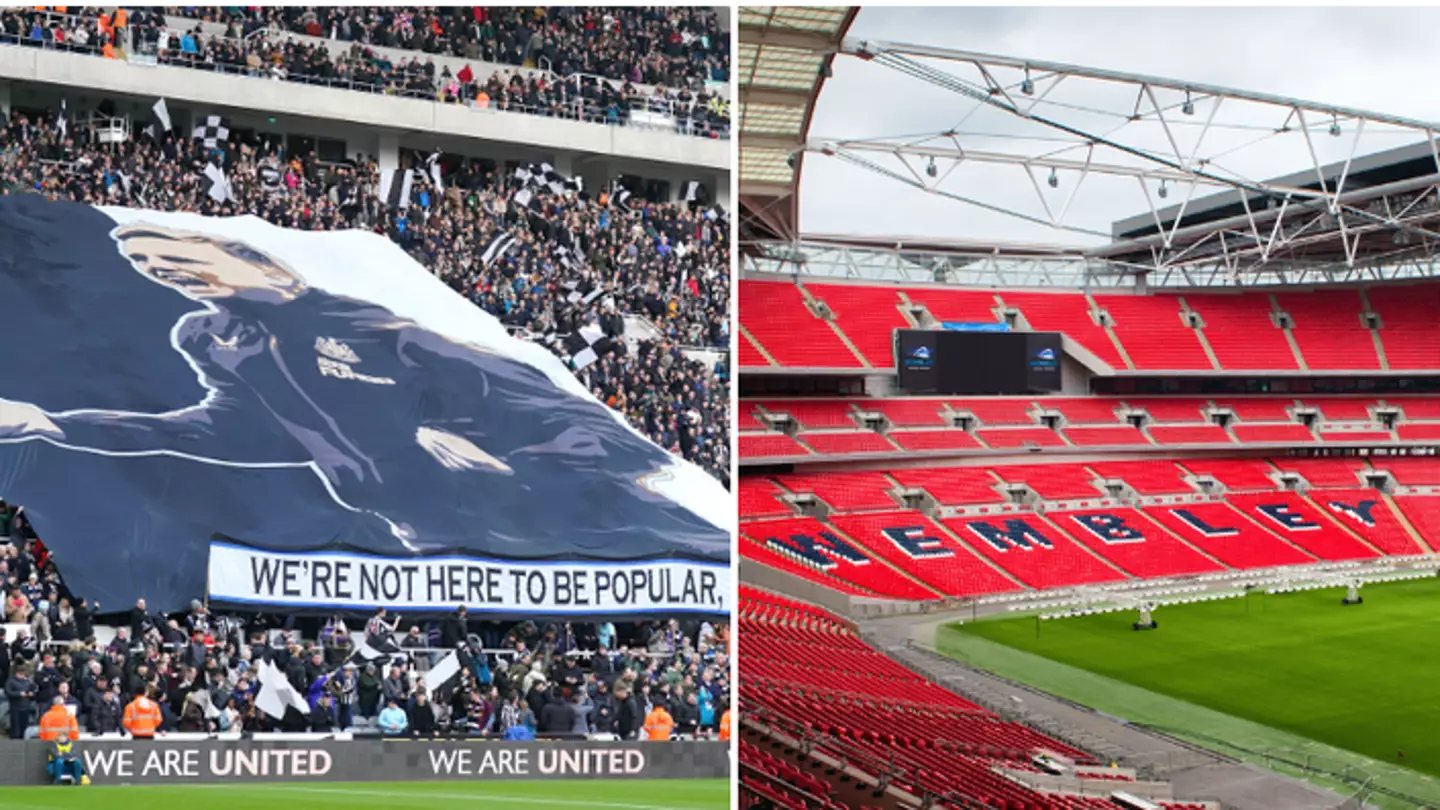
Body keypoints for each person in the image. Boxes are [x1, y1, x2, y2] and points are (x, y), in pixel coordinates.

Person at [0, 225, 724, 560]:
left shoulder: (361, 322)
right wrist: (56, 424)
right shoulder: (220, 342)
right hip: (430, 530)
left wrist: (518, 465)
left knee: (699, 555)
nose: (169, 272)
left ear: (243, 255)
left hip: (551, 506)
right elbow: (217, 433)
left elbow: (537, 400)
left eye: (177, 257)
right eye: (155, 268)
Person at [5, 664, 37, 739]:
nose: (22, 676)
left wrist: (31, 694)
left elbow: (33, 689)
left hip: (26, 707)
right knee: (15, 727)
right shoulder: (10, 681)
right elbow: (8, 692)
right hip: (15, 707)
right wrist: (19, 694)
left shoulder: (27, 681)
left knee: (24, 727)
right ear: (16, 673)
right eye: (20, 674)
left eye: (23, 674)